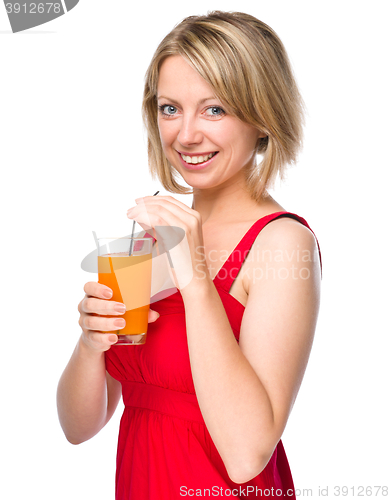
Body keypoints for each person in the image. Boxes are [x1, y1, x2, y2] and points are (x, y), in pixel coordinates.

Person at [57, 11, 321, 499]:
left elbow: (247, 456)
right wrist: (91, 345)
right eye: (170, 108)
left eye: (214, 110)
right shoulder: (152, 235)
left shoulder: (283, 244)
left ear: (262, 116)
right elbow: (77, 429)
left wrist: (196, 281)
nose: (186, 135)